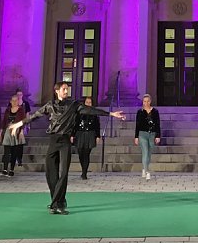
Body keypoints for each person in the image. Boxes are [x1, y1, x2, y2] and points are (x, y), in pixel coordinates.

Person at [7, 81, 125, 215]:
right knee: (50, 173)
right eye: (64, 89)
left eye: (67, 89)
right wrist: (19, 124)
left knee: (63, 174)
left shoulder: (73, 105)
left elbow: (90, 110)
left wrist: (110, 114)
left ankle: (55, 205)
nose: (66, 91)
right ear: (57, 91)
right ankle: (58, 201)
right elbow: (34, 116)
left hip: (65, 142)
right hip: (53, 141)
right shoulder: (50, 105)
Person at [72, 96, 101, 180]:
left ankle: (84, 172)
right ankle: (83, 169)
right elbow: (75, 124)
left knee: (86, 153)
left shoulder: (94, 113)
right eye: (87, 102)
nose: (88, 104)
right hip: (80, 133)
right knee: (81, 153)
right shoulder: (79, 112)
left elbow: (97, 125)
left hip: (90, 134)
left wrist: (97, 136)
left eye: (90, 102)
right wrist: (72, 134)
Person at [134, 93, 161, 180]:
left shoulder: (155, 112)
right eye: (144, 101)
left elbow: (157, 124)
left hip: (152, 134)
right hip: (142, 134)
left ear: (150, 102)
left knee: (149, 154)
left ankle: (144, 168)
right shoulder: (140, 112)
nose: (145, 103)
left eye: (147, 101)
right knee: (145, 152)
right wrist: (136, 137)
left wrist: (158, 136)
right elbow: (137, 125)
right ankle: (147, 171)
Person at [0, 94, 25, 177]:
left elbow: (23, 121)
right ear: (10, 101)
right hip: (7, 131)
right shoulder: (7, 110)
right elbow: (4, 122)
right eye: (12, 100)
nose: (14, 102)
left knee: (14, 151)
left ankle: (12, 170)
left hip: (16, 131)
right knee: (6, 151)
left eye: (16, 100)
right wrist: (0, 133)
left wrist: (21, 132)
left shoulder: (21, 110)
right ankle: (5, 169)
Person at [14, 89, 32, 168]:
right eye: (17, 94)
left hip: (23, 124)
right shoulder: (13, 103)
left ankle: (19, 158)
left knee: (20, 143)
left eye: (20, 95)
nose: (19, 96)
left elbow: (27, 114)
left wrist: (28, 124)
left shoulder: (26, 104)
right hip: (15, 125)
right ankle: (15, 158)